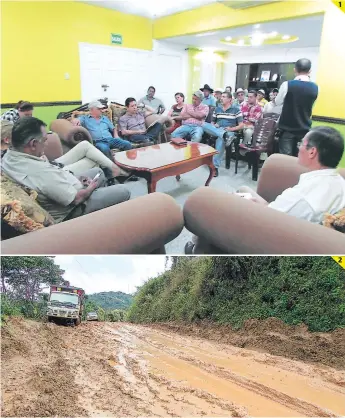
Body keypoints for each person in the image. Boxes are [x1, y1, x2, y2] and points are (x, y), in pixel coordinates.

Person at [185, 126, 345, 254]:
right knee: (243, 188)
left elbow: (271, 218)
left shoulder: (302, 198)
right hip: (287, 216)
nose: (298, 149)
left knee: (218, 205)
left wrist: (249, 205)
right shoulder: (338, 182)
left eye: (301, 144)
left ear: (312, 152)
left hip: (274, 230)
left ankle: (196, 246)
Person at [1, 117, 131, 223]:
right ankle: (100, 215)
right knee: (123, 190)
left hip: (64, 186)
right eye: (45, 140)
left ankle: (102, 200)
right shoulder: (39, 172)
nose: (46, 144)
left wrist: (76, 179)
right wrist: (90, 188)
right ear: (33, 144)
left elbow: (51, 177)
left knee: (99, 172)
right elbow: (76, 199)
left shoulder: (10, 156)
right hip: (72, 209)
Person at [275, 58, 318, 157]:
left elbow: (277, 102)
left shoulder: (287, 85)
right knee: (301, 157)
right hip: (304, 129)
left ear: (295, 70)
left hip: (287, 128)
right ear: (310, 71)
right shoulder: (315, 88)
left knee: (286, 158)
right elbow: (311, 106)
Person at [202, 92, 243, 177]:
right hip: (218, 129)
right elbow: (212, 122)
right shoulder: (217, 109)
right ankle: (224, 135)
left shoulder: (236, 109)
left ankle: (215, 167)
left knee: (221, 141)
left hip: (229, 130)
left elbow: (241, 125)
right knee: (203, 124)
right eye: (221, 96)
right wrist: (214, 125)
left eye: (224, 97)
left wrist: (231, 129)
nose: (221, 98)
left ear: (230, 100)